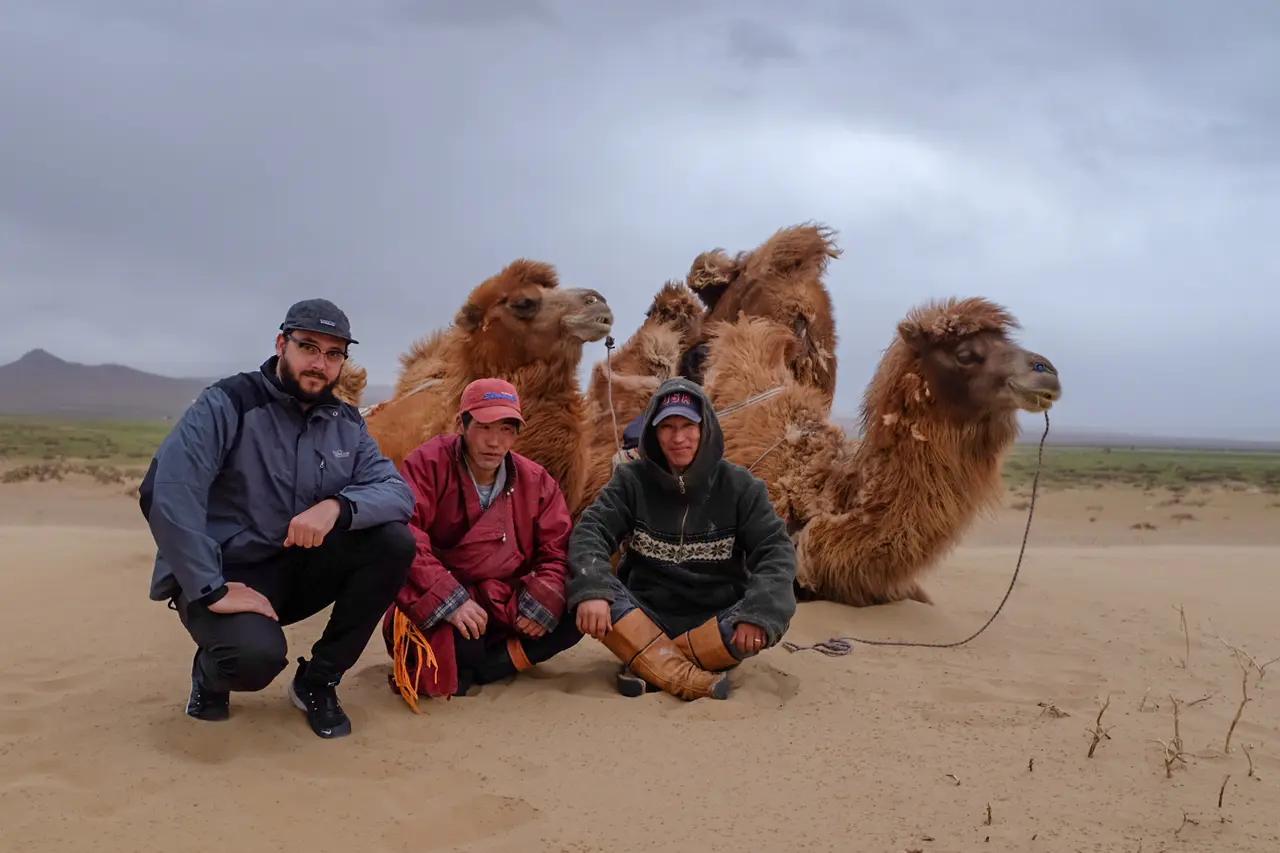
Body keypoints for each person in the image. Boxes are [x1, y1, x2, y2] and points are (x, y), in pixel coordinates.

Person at [140, 299, 416, 738]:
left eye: (333, 354)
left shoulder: (346, 424)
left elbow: (398, 494)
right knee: (251, 661)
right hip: (225, 573)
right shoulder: (228, 402)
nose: (319, 363)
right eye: (308, 347)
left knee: (394, 542)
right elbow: (167, 491)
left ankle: (318, 682)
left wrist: (337, 508)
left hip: (296, 567)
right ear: (281, 344)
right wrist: (209, 586)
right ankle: (210, 673)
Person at [568, 378, 797, 701]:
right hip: (643, 613)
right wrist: (593, 590)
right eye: (667, 427)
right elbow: (590, 531)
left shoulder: (741, 487)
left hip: (716, 621)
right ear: (654, 433)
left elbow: (775, 551)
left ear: (705, 429)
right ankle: (691, 677)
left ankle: (646, 663)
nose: (678, 438)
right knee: (597, 594)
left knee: (760, 620)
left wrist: (758, 613)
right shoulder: (630, 482)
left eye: (688, 425)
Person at [382, 378, 580, 704]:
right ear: (462, 424)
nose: (495, 442)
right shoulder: (427, 464)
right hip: (444, 602)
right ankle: (485, 663)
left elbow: (556, 548)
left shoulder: (536, 480)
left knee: (575, 613)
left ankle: (492, 665)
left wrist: (544, 598)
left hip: (504, 599)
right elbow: (405, 535)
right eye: (485, 427)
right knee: (460, 645)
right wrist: (452, 600)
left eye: (506, 429)